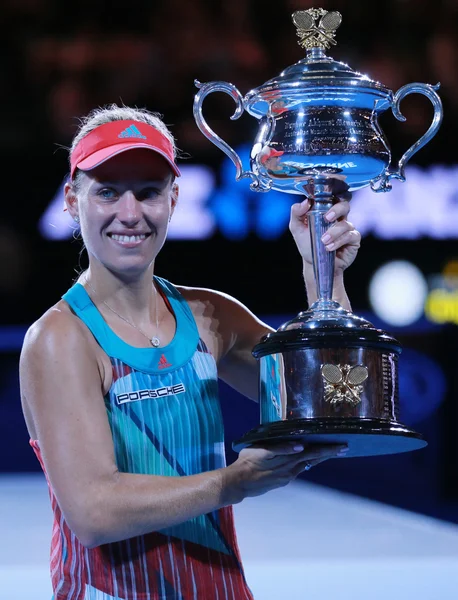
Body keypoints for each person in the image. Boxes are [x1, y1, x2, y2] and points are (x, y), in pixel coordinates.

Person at [19, 104, 361, 600]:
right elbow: (94, 513)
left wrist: (323, 276)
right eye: (108, 192)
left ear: (175, 198)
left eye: (149, 191)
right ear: (73, 200)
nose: (130, 213)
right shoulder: (60, 338)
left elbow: (333, 401)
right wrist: (234, 482)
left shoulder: (209, 317)